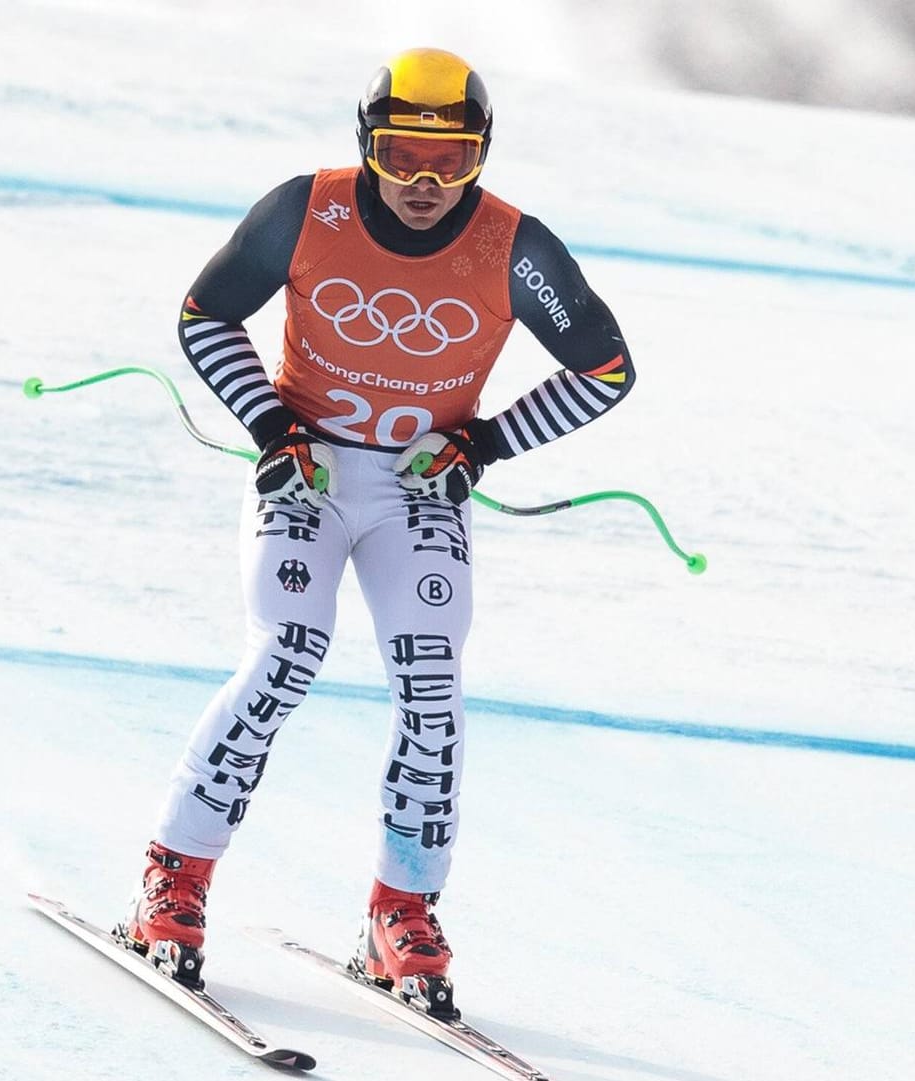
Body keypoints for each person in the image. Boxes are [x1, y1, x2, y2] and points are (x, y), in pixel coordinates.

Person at [124, 47, 636, 1019]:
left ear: (482, 156)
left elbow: (605, 370)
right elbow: (204, 317)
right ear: (369, 146)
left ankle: (400, 907)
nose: (425, 183)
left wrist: (484, 444)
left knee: (433, 686)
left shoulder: (514, 246)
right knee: (285, 656)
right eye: (403, 155)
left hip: (416, 489)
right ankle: (175, 874)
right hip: (310, 467)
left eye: (452, 158)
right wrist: (271, 427)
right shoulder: (305, 210)